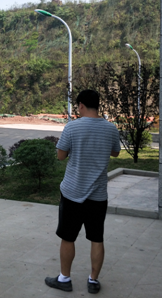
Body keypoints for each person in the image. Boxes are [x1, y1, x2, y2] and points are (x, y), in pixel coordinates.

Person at [45, 90, 120, 294]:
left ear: (81, 105)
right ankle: (93, 281)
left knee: (68, 237)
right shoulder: (111, 128)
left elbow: (61, 156)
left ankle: (64, 279)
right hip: (98, 195)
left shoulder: (72, 127)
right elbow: (115, 152)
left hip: (72, 193)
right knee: (97, 238)